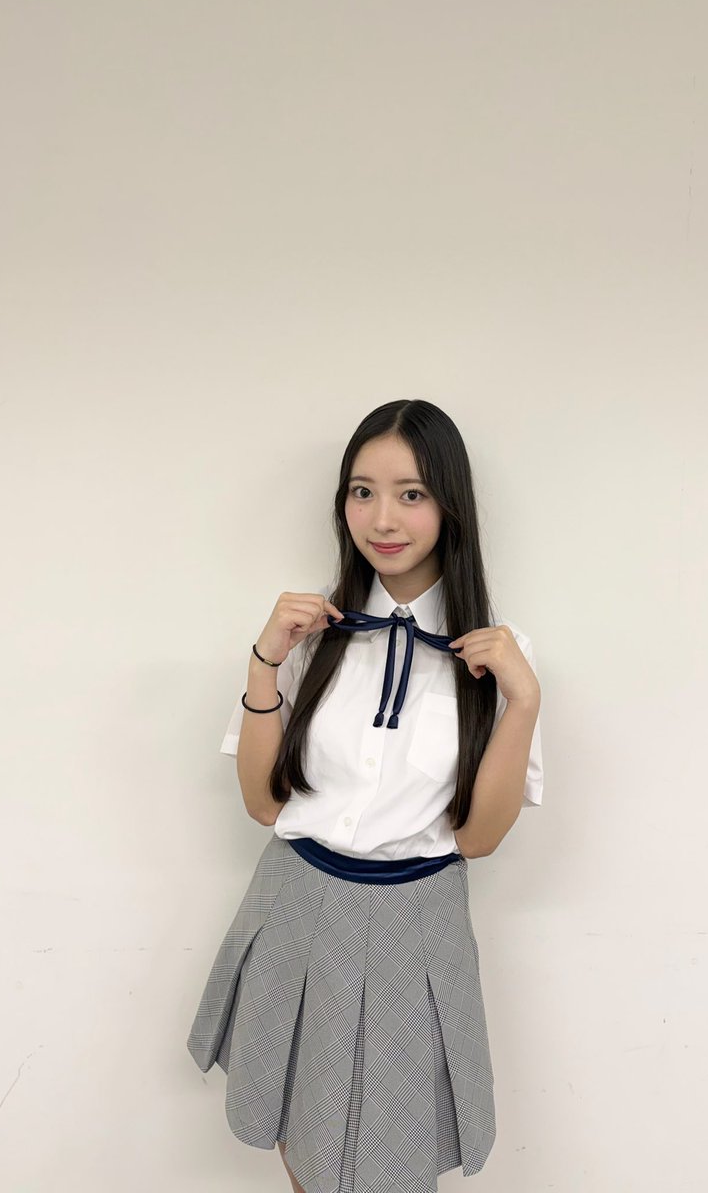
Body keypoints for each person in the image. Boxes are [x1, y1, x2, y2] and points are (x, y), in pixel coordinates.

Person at [186, 399, 544, 1193]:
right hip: (296, 900)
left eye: (412, 494)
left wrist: (523, 701)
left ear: (450, 504)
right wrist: (263, 663)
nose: (382, 518)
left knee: (391, 1159)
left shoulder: (499, 653)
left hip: (419, 917)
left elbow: (479, 838)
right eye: (362, 491)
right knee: (303, 1142)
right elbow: (264, 805)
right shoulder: (309, 629)